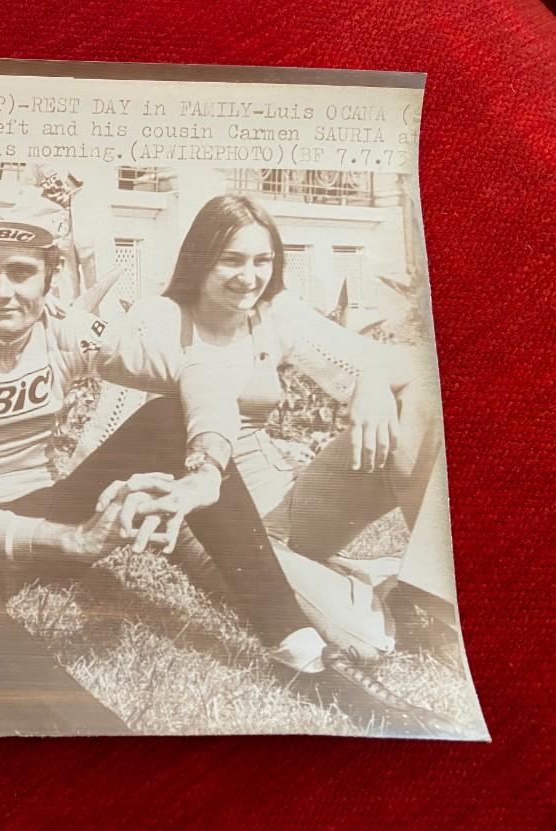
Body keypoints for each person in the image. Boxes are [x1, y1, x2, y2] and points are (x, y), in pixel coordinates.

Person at [0, 203, 454, 737]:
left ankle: (303, 654)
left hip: (51, 501)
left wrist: (206, 471)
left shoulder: (65, 326)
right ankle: (96, 731)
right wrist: (67, 539)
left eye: (19, 274)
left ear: (50, 279)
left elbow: (195, 372)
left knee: (168, 418)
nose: (2, 292)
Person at [149, 193, 458, 664]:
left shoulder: (271, 314)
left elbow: (423, 366)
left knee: (420, 402)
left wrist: (372, 380)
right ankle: (386, 587)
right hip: (213, 525)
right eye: (230, 260)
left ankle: (433, 594)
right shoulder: (157, 327)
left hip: (287, 507)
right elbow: (110, 439)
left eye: (261, 261)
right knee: (368, 639)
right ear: (199, 260)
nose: (248, 277)